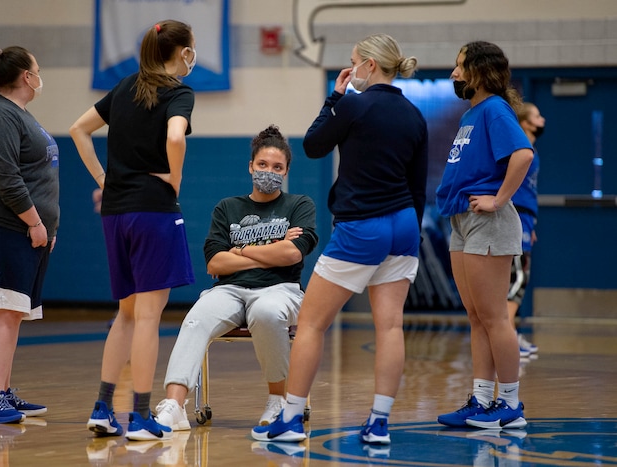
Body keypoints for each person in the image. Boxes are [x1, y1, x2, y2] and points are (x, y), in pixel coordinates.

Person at [252, 34, 428, 445]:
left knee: (312, 323)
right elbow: (418, 188)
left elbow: (313, 146)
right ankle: (379, 423)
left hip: (361, 226)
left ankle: (291, 420)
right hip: (404, 225)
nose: (350, 70)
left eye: (352, 62)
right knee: (390, 327)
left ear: (368, 65)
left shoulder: (352, 104)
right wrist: (408, 232)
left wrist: (334, 96)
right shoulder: (414, 115)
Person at [69, 19, 196, 441]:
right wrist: (175, 178)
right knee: (147, 316)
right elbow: (176, 138)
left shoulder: (124, 87)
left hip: (116, 213)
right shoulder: (178, 93)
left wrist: (103, 180)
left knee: (126, 314)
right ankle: (140, 416)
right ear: (182, 53)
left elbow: (78, 130)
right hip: (153, 212)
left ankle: (103, 408)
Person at [155, 125, 318, 431]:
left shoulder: (299, 205)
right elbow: (215, 262)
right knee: (195, 319)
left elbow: (293, 255)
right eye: (262, 165)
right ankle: (175, 405)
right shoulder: (228, 208)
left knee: (267, 313)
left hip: (281, 289)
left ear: (285, 172)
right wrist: (271, 247)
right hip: (229, 290)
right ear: (250, 166)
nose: (268, 172)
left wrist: (239, 250)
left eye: (277, 167)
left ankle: (277, 400)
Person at [435, 41, 534, 429]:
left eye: (460, 67)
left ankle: (509, 403)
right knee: (477, 316)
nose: (454, 74)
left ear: (479, 71)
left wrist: (498, 199)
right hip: (462, 218)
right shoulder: (472, 113)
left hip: (487, 221)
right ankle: (480, 399)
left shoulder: (494, 109)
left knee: (494, 317)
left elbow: (522, 154)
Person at [0, 46, 59, 424]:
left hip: (28, 228)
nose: (40, 76)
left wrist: (47, 226)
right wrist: (35, 222)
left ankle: (3, 391)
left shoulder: (19, 115)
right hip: (4, 226)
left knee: (14, 311)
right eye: (37, 69)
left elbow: (38, 177)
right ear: (25, 76)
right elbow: (7, 179)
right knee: (5, 310)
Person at [508, 102, 545, 357]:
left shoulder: (533, 150)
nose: (542, 120)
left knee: (521, 276)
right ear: (525, 123)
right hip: (516, 217)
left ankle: (512, 335)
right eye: (537, 116)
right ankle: (508, 338)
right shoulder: (519, 149)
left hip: (526, 219)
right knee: (517, 279)